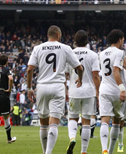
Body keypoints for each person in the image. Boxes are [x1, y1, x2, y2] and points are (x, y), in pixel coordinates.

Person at [27, 25, 84, 154]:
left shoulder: (38, 48)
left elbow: (30, 69)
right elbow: (79, 68)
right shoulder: (65, 48)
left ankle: (44, 152)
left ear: (49, 35)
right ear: (58, 35)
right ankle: (48, 153)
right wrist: (80, 78)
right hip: (58, 86)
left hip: (41, 86)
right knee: (54, 122)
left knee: (43, 123)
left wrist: (30, 88)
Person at [66, 30, 101, 154]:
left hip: (74, 90)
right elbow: (96, 75)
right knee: (86, 121)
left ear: (75, 41)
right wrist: (98, 91)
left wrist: (66, 89)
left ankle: (72, 138)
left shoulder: (69, 53)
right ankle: (84, 151)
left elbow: (66, 74)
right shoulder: (93, 55)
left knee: (72, 118)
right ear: (87, 41)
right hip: (89, 91)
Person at [98, 29, 126, 154]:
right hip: (116, 90)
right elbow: (115, 71)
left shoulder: (101, 53)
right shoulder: (120, 53)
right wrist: (122, 89)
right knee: (116, 121)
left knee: (104, 120)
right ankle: (109, 151)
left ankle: (104, 149)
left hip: (104, 89)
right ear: (120, 39)